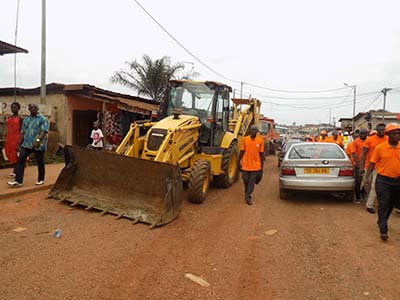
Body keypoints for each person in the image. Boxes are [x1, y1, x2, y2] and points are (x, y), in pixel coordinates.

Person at [364, 123, 400, 241]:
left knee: (391, 204)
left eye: (399, 133)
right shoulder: (380, 148)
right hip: (383, 180)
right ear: (388, 134)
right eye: (394, 133)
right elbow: (372, 163)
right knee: (383, 204)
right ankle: (383, 230)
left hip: (397, 181)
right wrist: (366, 178)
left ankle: (382, 220)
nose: (397, 135)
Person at [8, 103, 49, 187]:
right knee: (21, 159)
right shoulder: (26, 119)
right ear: (29, 109)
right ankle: (18, 181)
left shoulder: (43, 119)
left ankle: (41, 179)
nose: (33, 108)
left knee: (39, 162)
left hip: (38, 145)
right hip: (26, 144)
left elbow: (44, 131)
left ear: (37, 109)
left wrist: (37, 140)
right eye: (31, 107)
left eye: (35, 107)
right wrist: (19, 143)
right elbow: (23, 132)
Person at [360, 123, 388, 214]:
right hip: (368, 166)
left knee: (374, 185)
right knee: (366, 183)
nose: (382, 131)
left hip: (379, 167)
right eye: (380, 130)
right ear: (377, 130)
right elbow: (364, 153)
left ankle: (369, 205)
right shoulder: (369, 140)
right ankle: (368, 197)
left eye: (384, 130)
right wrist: (361, 166)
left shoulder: (387, 139)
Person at [239, 125, 264, 205]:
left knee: (251, 182)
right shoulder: (245, 139)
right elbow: (242, 151)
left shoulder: (260, 141)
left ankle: (248, 197)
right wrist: (238, 161)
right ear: (250, 131)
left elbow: (261, 154)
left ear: (257, 132)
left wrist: (261, 167)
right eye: (252, 130)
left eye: (254, 130)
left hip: (256, 166)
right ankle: (247, 191)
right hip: (245, 165)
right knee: (245, 180)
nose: (253, 131)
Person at [4, 102, 22, 177]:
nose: (13, 109)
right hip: (9, 138)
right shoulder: (9, 117)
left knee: (15, 155)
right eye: (12, 107)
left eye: (15, 107)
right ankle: (17, 168)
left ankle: (16, 170)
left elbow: (22, 131)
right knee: (8, 153)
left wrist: (20, 141)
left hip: (16, 138)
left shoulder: (20, 119)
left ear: (18, 108)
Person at [351, 128, 368, 203]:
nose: (363, 135)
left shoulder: (369, 140)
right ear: (359, 134)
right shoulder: (355, 142)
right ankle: (358, 197)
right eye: (362, 133)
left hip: (368, 164)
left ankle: (364, 193)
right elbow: (353, 154)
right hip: (358, 165)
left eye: (365, 133)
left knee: (366, 181)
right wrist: (359, 165)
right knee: (358, 181)